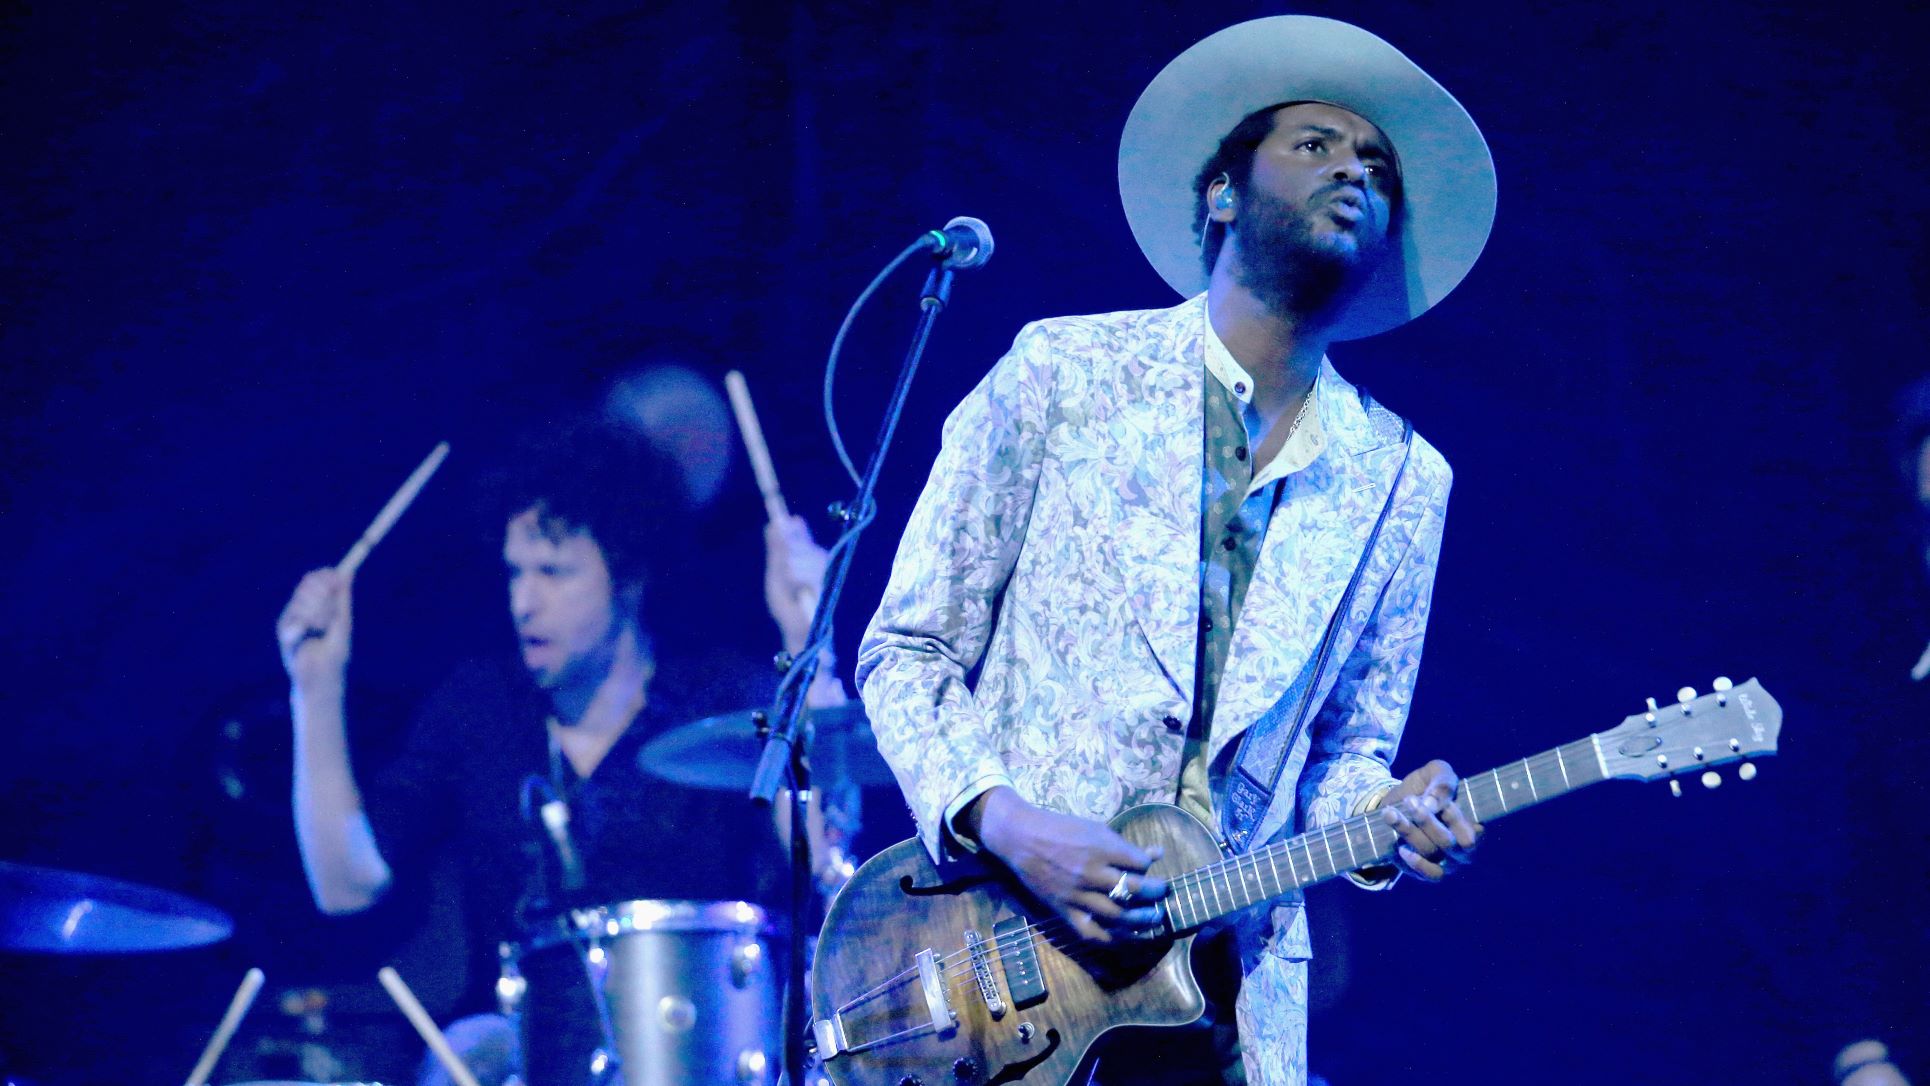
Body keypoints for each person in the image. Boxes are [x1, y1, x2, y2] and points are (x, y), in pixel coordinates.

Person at [856, 16, 1495, 1085]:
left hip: (1226, 1014)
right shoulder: (1061, 373)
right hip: (1010, 989)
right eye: (1315, 144)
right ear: (1220, 192)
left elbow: (1346, 755)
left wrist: (1386, 813)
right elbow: (906, 651)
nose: (1354, 169)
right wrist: (1010, 823)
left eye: (1377, 167)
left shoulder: (1400, 479)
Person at [277, 416, 843, 1085]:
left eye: (553, 572)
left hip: (703, 1046)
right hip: (510, 1050)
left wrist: (813, 654)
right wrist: (315, 690)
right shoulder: (478, 707)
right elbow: (346, 886)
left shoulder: (724, 698)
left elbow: (829, 874)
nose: (523, 601)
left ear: (627, 577)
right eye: (515, 573)